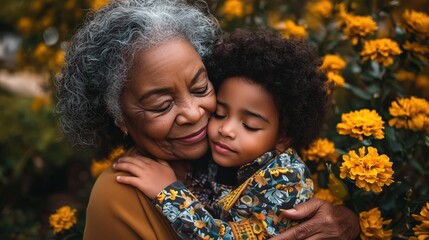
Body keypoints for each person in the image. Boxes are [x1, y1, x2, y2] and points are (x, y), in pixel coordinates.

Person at [55, 0, 360, 239]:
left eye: (200, 87)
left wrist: (347, 220)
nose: (193, 113)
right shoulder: (120, 195)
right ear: (119, 118)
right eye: (161, 105)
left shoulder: (243, 159)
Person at [113, 29, 324, 239]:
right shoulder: (219, 155)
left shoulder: (285, 181)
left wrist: (169, 192)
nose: (226, 130)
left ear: (283, 137)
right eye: (221, 114)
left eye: (249, 125)